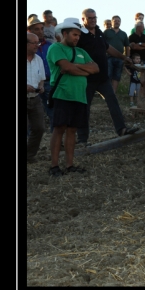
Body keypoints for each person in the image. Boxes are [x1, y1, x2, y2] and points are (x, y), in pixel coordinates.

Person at [76, 8, 137, 145]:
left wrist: (123, 57)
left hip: (103, 78)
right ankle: (82, 139)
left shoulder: (99, 32)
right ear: (83, 19)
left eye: (94, 18)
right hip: (87, 78)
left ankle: (121, 129)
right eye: (90, 18)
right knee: (84, 108)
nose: (93, 20)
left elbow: (108, 48)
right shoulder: (80, 35)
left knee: (113, 102)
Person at [47, 18, 100, 176]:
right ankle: (54, 166)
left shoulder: (82, 52)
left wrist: (75, 67)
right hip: (62, 94)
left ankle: (70, 165)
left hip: (79, 96)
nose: (77, 37)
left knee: (72, 130)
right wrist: (84, 70)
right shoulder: (56, 48)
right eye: (74, 34)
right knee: (59, 129)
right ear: (65, 33)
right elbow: (67, 67)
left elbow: (96, 68)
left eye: (79, 35)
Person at [28, 16, 54, 130]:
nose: (40, 31)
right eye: (36, 29)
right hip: (31, 87)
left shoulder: (50, 46)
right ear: (30, 31)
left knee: (53, 110)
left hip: (46, 82)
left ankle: (56, 137)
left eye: (41, 28)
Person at [27, 32, 46, 164]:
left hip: (35, 98)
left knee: (39, 128)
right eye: (34, 43)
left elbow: (42, 79)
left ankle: (29, 154)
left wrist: (41, 86)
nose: (37, 45)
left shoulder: (38, 59)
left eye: (38, 42)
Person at [103, 15, 130, 93]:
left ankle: (113, 93)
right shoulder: (106, 32)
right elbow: (102, 44)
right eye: (115, 21)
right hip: (108, 57)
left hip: (120, 58)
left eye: (118, 21)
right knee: (108, 75)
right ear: (111, 22)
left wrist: (127, 57)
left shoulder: (123, 33)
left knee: (117, 76)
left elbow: (127, 46)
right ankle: (106, 93)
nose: (117, 22)